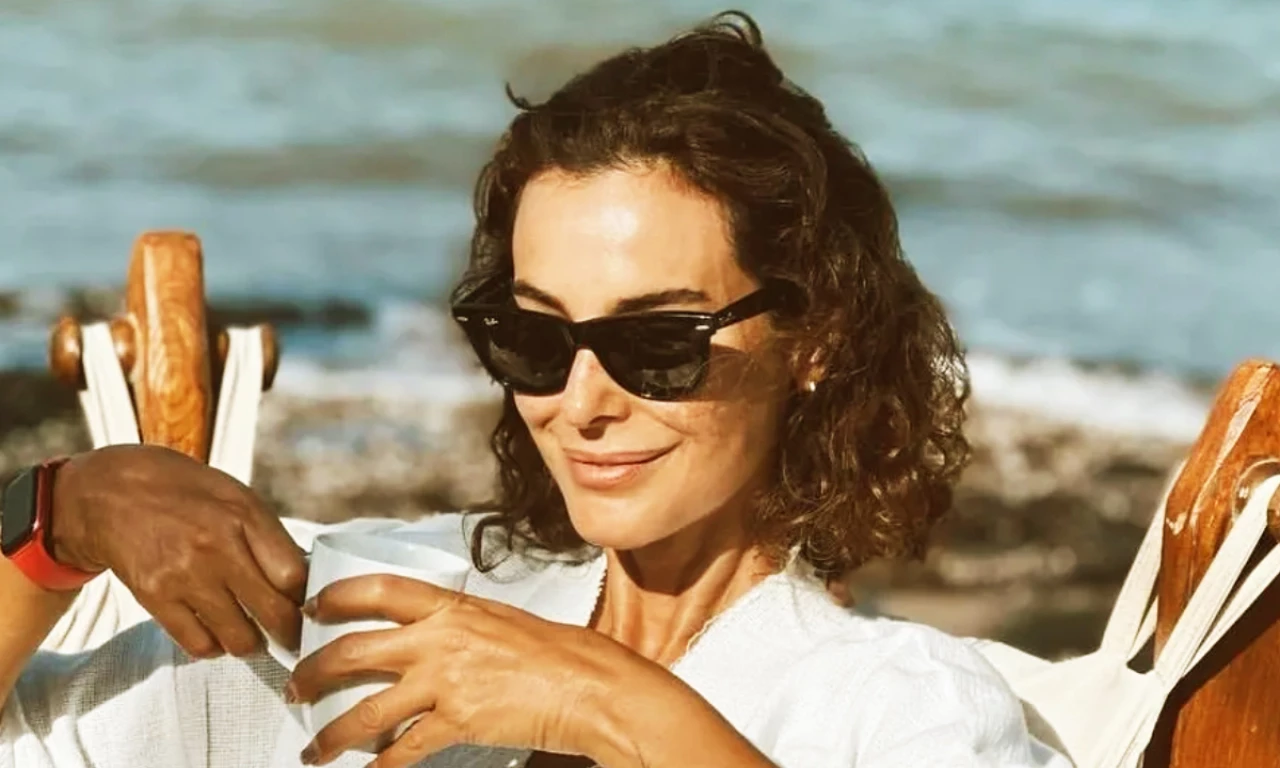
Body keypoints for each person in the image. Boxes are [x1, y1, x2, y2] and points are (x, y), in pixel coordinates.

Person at [0, 12, 1069, 768]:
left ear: (815, 338)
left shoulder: (893, 708)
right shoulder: (386, 614)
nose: (581, 400)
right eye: (533, 337)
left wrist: (604, 701)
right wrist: (56, 518)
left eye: (657, 341)